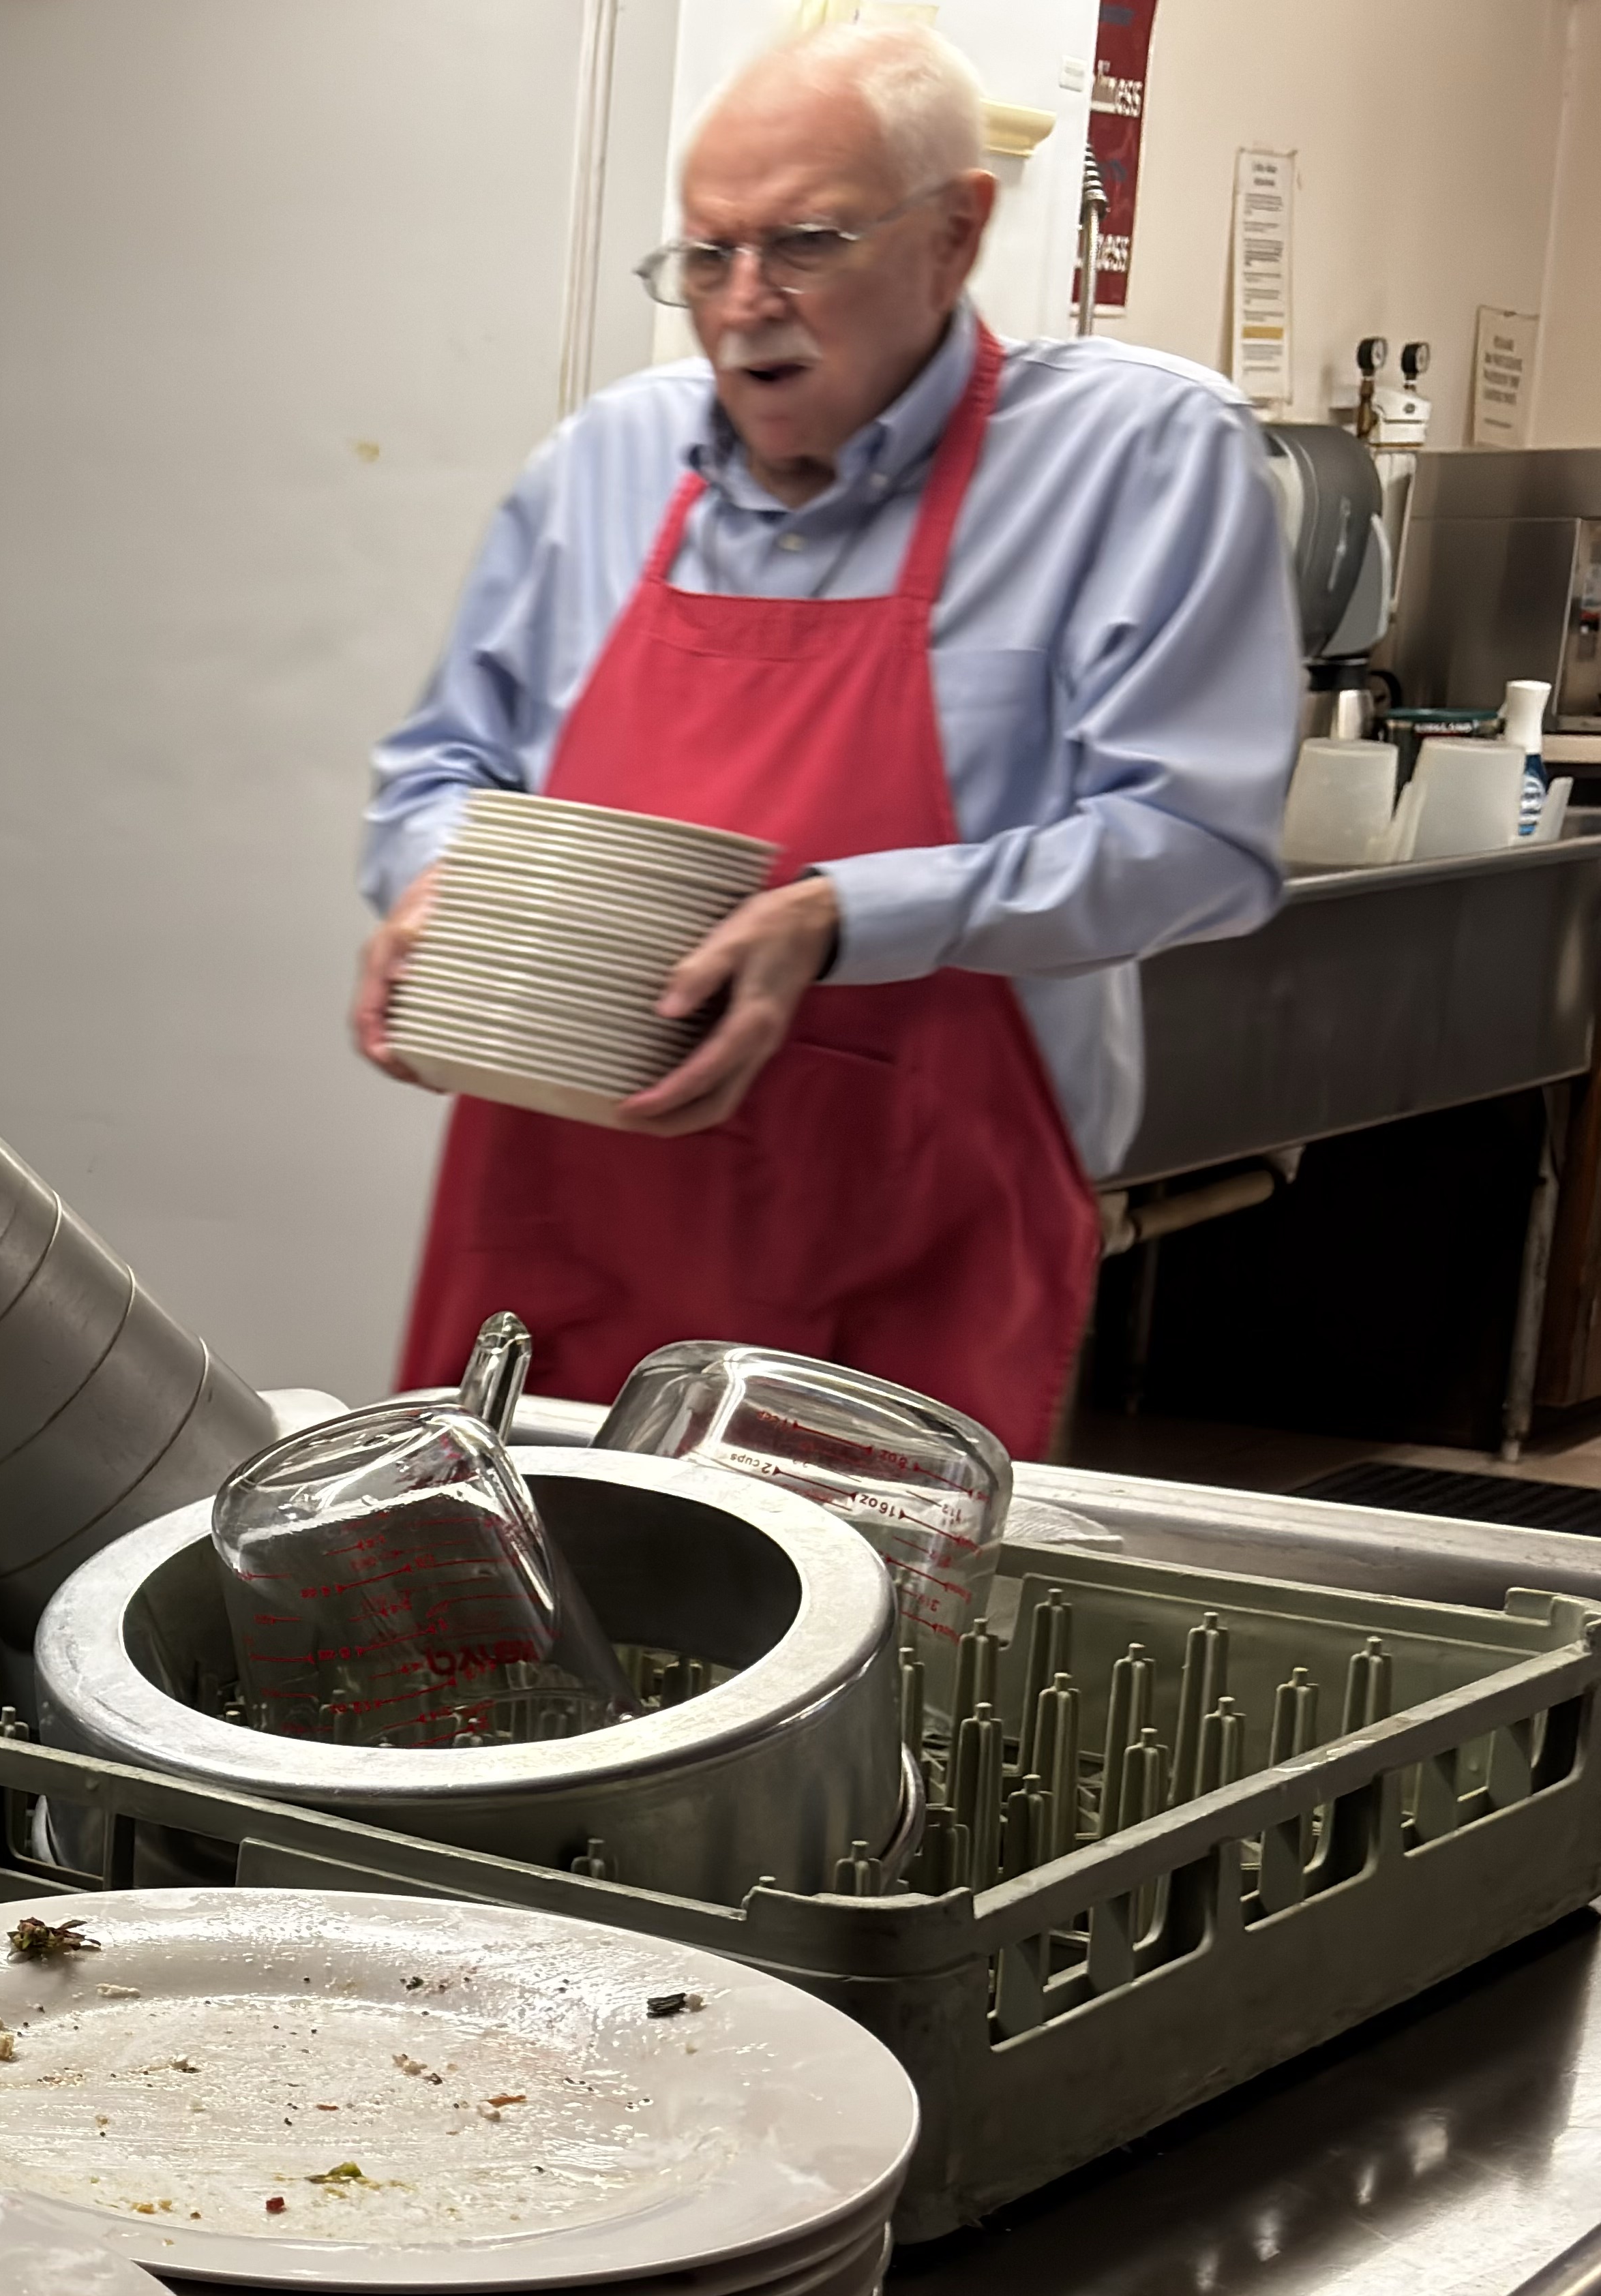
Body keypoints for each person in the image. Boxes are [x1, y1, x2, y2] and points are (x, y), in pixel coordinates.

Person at [350, 22, 1292, 1455]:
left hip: (904, 1274)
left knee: (858, 1673)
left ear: (957, 231)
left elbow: (1198, 846)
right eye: (705, 257)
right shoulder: (606, 460)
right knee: (491, 1661)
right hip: (562, 1235)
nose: (741, 307)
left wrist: (842, 918)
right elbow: (440, 769)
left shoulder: (1142, 457)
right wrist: (441, 895)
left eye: (803, 244)